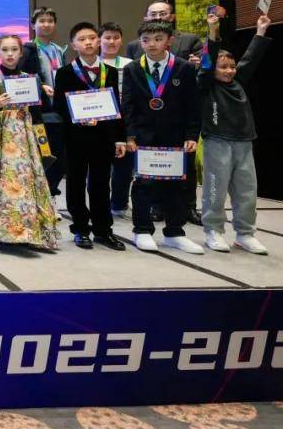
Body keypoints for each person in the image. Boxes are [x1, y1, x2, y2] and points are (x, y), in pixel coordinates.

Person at [0, 35, 58, 250]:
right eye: (5, 50)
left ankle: (28, 229)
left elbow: (37, 115)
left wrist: (43, 145)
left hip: (24, 136)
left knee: (25, 181)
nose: (10, 54)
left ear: (21, 52)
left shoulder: (30, 79)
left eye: (14, 49)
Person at [121, 20, 203, 254]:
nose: (152, 44)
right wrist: (130, 135)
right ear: (140, 42)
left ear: (169, 40)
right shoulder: (133, 69)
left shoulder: (184, 68)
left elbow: (193, 106)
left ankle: (175, 232)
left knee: (176, 185)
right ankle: (142, 230)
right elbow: (127, 105)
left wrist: (191, 135)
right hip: (143, 137)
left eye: (158, 39)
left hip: (176, 137)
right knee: (143, 185)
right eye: (146, 40)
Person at [199, 12, 272, 254]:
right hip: (217, 142)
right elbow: (208, 60)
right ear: (212, 68)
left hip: (244, 143)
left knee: (246, 191)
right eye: (223, 67)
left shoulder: (238, 82)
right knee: (215, 189)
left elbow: (251, 57)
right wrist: (212, 31)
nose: (229, 71)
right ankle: (213, 230)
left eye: (232, 67)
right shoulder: (206, 84)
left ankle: (245, 234)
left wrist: (260, 31)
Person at [52, 23, 127, 250]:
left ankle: (103, 230)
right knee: (75, 183)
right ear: (73, 45)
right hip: (75, 137)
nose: (88, 42)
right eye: (82, 39)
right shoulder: (65, 72)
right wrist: (79, 117)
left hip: (103, 137)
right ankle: (81, 229)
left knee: (101, 184)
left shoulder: (110, 72)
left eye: (92, 38)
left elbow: (116, 107)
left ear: (99, 41)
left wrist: (119, 138)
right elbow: (59, 106)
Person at [18, 7, 69, 197]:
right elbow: (21, 78)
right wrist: (40, 86)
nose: (46, 24)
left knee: (59, 159)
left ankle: (51, 193)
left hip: (59, 113)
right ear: (33, 25)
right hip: (39, 115)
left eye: (50, 21)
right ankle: (40, 197)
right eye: (41, 21)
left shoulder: (59, 50)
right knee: (42, 156)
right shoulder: (28, 49)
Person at [99, 21, 134, 218]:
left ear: (121, 40)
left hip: (125, 119)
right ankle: (100, 203)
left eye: (116, 38)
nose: (111, 42)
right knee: (99, 166)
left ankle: (119, 203)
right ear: (99, 40)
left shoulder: (131, 64)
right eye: (107, 38)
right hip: (100, 121)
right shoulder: (91, 64)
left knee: (124, 165)